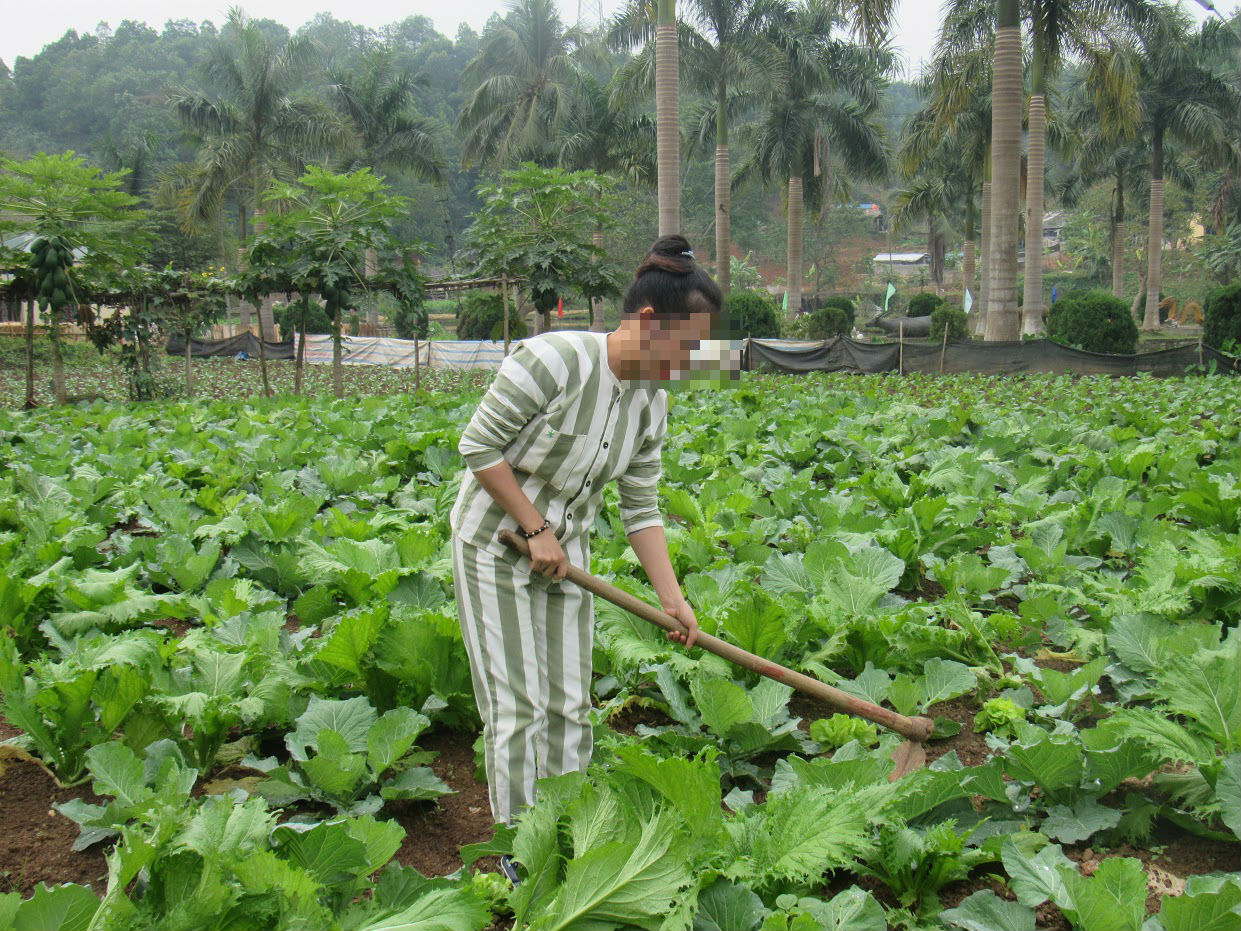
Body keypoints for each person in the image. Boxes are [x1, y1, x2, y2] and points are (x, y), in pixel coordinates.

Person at [449, 234, 723, 879]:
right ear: (649, 322)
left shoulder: (651, 406)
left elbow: (641, 509)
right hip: (495, 546)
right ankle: (520, 854)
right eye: (687, 346)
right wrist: (536, 525)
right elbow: (478, 444)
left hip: (568, 557)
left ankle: (568, 832)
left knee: (570, 705)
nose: (688, 363)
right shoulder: (555, 359)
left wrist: (673, 599)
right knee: (516, 707)